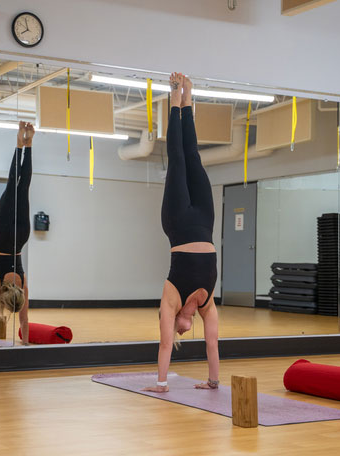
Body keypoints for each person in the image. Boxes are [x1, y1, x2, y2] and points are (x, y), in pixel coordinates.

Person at [143, 73, 220, 392]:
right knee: (194, 159)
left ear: (174, 323)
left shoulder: (170, 301)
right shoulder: (208, 305)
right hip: (204, 221)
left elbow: (163, 346)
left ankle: (174, 98)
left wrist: (161, 383)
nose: (183, 333)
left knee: (177, 160)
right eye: (185, 332)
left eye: (178, 332)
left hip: (176, 223)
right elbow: (213, 345)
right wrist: (213, 382)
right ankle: (188, 101)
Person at [0, 121, 34, 346]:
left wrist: (25, 343)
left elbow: (24, 321)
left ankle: (28, 144)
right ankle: (20, 143)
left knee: (23, 188)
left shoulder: (22, 284)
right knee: (13, 185)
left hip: (21, 237)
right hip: (2, 234)